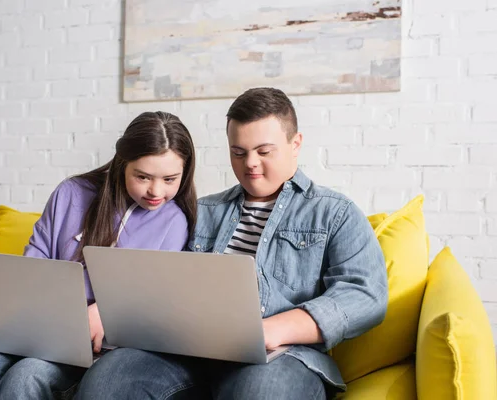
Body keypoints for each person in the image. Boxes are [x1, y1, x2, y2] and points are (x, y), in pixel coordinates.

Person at [75, 88, 388, 400]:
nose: (250, 163)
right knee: (109, 378)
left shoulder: (334, 212)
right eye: (238, 152)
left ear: (296, 145)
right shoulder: (204, 210)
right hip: (190, 354)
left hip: (282, 356)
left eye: (264, 151)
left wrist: (272, 330)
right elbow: (161, 282)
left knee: (261, 391)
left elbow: (365, 294)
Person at [0, 111, 197, 400]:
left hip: (99, 347)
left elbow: (155, 299)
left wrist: (106, 312)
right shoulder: (72, 193)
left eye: (170, 179)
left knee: (27, 376)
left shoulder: (175, 221)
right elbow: (33, 263)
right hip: (36, 326)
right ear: (122, 164)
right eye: (143, 177)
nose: (156, 190)